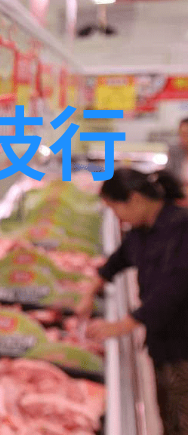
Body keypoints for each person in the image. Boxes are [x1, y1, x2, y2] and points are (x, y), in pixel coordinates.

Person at [77, 168, 188, 434]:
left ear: (135, 199)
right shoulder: (142, 228)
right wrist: (93, 288)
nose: (116, 217)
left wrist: (124, 324)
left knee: (181, 412)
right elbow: (121, 258)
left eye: (115, 209)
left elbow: (172, 290)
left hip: (182, 344)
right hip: (162, 341)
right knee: (167, 408)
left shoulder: (181, 229)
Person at [166, 117, 188, 189]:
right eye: (182, 134)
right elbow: (168, 176)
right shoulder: (174, 151)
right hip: (179, 192)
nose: (184, 138)